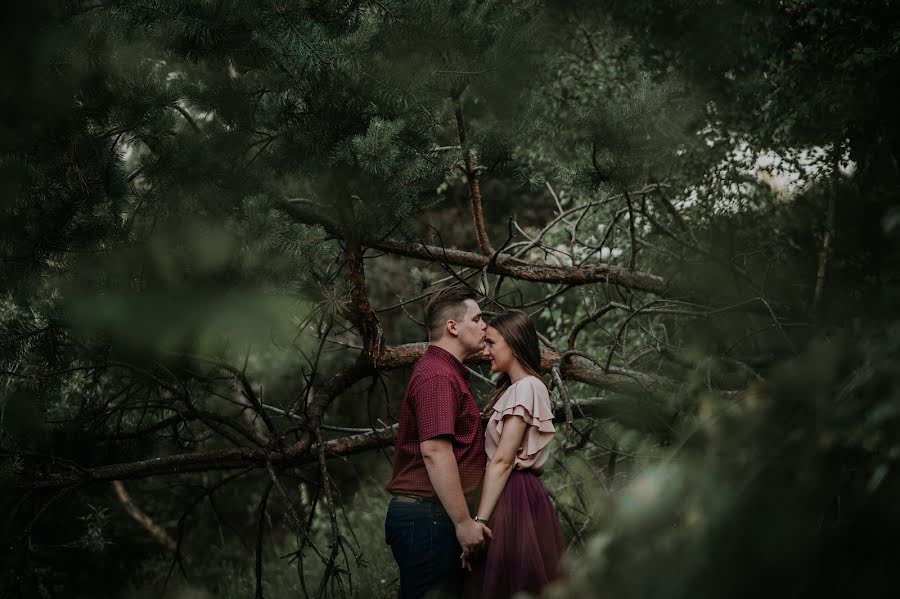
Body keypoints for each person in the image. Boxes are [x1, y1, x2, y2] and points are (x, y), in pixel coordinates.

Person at [385, 284, 493, 598]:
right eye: (477, 318)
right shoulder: (439, 376)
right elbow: (434, 450)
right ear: (452, 327)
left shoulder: (447, 373)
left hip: (432, 516)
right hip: (429, 517)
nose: (484, 326)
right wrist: (462, 522)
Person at [465, 310, 565, 598]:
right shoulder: (516, 389)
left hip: (515, 496)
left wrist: (479, 522)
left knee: (513, 584)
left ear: (512, 342)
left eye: (491, 343)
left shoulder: (527, 387)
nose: (485, 351)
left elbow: (503, 459)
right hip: (510, 493)